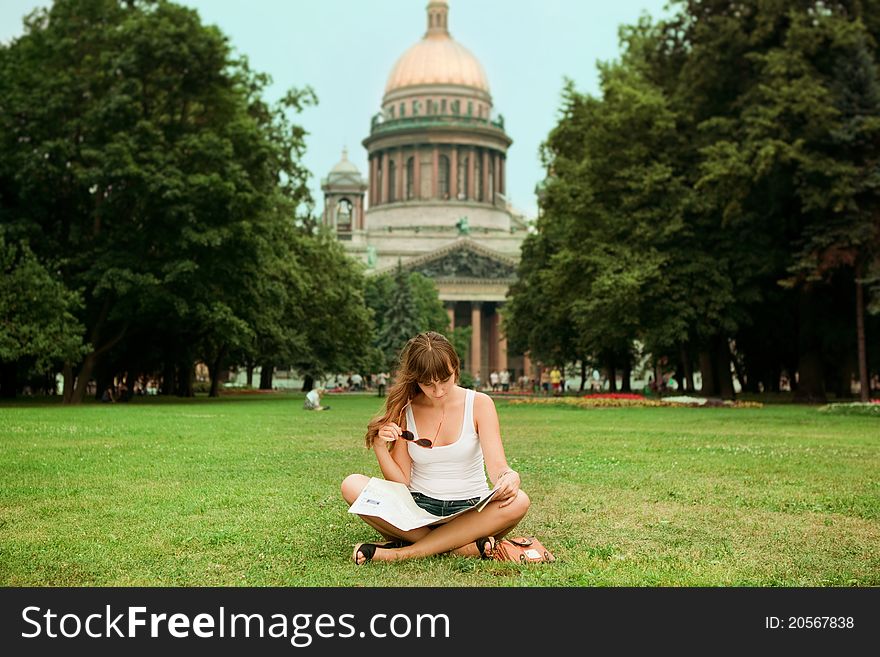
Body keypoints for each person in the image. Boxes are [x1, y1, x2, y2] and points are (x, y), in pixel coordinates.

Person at [341, 331, 529, 565]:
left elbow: (498, 467)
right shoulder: (406, 409)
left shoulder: (480, 404)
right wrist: (380, 446)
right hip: (419, 510)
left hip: (471, 511)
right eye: (428, 384)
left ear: (455, 368)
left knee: (519, 500)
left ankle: (404, 552)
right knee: (351, 485)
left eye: (445, 380)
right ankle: (458, 547)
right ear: (416, 379)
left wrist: (509, 476)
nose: (438, 391)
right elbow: (401, 483)